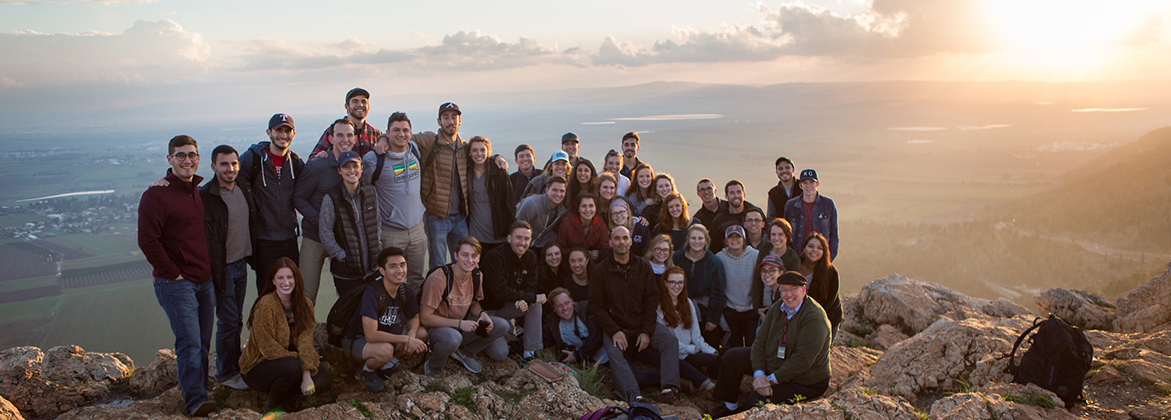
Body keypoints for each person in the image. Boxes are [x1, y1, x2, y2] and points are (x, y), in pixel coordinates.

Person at [138, 135, 216, 417]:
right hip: (176, 284)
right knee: (189, 343)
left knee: (203, 343)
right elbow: (147, 240)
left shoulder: (195, 190)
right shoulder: (156, 195)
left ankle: (202, 391)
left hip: (204, 281)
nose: (187, 160)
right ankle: (194, 401)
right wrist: (173, 274)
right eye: (180, 155)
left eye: (192, 155)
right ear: (169, 160)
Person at [706, 272, 832, 418]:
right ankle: (730, 408)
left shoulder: (814, 317)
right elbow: (759, 342)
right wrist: (759, 373)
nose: (788, 294)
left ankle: (743, 412)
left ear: (803, 290)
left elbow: (802, 361)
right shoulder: (778, 308)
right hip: (777, 363)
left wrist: (770, 380)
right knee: (732, 357)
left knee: (753, 400)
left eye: (793, 289)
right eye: (783, 289)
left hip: (806, 380)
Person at [402, 102, 509, 270]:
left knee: (464, 263)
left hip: (460, 218)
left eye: (454, 117)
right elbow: (402, 136)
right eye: (446, 117)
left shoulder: (464, 148)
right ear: (439, 121)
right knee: (438, 265)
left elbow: (480, 155)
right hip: (436, 216)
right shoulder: (430, 141)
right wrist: (382, 140)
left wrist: (497, 157)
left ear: (460, 121)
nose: (450, 121)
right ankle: (439, 295)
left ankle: (460, 296)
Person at [590, 226, 681, 404]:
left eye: (625, 238)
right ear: (610, 242)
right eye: (617, 239)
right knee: (614, 354)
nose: (621, 242)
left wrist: (647, 331)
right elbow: (596, 306)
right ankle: (634, 396)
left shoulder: (643, 266)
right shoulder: (600, 270)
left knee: (670, 341)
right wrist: (614, 330)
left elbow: (651, 300)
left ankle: (669, 389)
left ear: (631, 241)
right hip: (616, 327)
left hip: (642, 325)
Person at [199, 145, 256, 391]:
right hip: (221, 269)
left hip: (241, 264)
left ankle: (235, 365)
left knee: (237, 319)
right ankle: (225, 373)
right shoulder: (205, 196)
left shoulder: (244, 188)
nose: (230, 168)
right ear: (213, 167)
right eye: (224, 164)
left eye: (234, 163)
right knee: (229, 321)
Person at [239, 258, 328, 412]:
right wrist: (300, 362)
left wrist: (306, 373)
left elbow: (306, 342)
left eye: (289, 277)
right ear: (273, 281)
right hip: (258, 367)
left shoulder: (305, 305)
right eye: (280, 278)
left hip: (291, 364)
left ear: (296, 279)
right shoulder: (266, 304)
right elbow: (268, 349)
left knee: (319, 383)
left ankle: (285, 394)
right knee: (292, 367)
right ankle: (274, 406)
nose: (285, 282)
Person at [419, 237, 510, 377]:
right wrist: (460, 324)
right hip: (438, 330)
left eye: (474, 256)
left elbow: (473, 303)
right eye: (465, 255)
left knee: (502, 325)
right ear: (455, 255)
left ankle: (465, 353)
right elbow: (425, 318)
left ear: (479, 257)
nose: (470, 260)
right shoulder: (439, 279)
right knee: (453, 338)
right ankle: (433, 367)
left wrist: (482, 314)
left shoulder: (476, 275)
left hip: (461, 327)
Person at [342, 247, 429, 393]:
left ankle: (386, 366)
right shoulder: (373, 293)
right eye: (393, 266)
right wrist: (406, 340)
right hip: (358, 340)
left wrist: (411, 336)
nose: (400, 271)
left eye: (402, 265)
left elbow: (414, 317)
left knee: (420, 333)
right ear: (382, 271)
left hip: (386, 335)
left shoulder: (404, 290)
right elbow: (371, 335)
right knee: (386, 350)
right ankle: (365, 371)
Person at [293, 118, 357, 303]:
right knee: (306, 293)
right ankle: (303, 332)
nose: (345, 139)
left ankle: (345, 331)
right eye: (340, 135)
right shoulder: (317, 166)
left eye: (349, 135)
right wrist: (320, 220)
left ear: (354, 138)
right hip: (315, 238)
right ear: (330, 139)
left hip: (343, 240)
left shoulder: (355, 167)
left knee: (347, 293)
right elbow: (298, 197)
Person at [239, 113, 304, 293]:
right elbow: (227, 177)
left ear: (293, 134)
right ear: (269, 132)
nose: (283, 135)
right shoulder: (252, 159)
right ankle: (267, 322)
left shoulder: (296, 163)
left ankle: (289, 322)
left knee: (291, 289)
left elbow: (311, 184)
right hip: (264, 239)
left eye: (287, 131)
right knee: (267, 291)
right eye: (278, 130)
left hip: (290, 239)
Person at [363, 112, 428, 291]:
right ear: (387, 132)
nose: (401, 134)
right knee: (390, 280)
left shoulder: (414, 149)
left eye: (405, 130)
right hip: (390, 232)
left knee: (417, 278)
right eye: (396, 130)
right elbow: (364, 188)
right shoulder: (374, 159)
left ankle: (413, 316)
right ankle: (392, 317)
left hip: (417, 229)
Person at [319, 151, 381, 296]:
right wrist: (341, 256)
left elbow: (377, 222)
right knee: (350, 314)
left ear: (361, 168)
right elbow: (325, 232)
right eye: (346, 167)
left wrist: (378, 245)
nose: (351, 171)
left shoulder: (371, 191)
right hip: (346, 273)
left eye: (355, 166)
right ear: (339, 171)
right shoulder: (332, 197)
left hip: (372, 268)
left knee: (374, 311)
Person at [480, 221, 545, 360]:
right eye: (518, 237)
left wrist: (524, 299)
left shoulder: (531, 256)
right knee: (500, 354)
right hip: (488, 312)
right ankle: (479, 340)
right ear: (509, 238)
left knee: (535, 306)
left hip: (508, 307)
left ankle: (530, 353)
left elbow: (531, 286)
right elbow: (500, 292)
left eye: (526, 239)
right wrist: (529, 297)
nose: (522, 242)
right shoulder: (495, 256)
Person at [658, 267, 720, 392]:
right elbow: (667, 341)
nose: (677, 286)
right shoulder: (659, 307)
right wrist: (689, 349)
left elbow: (696, 336)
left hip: (690, 349)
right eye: (672, 282)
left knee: (716, 357)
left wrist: (710, 350)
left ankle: (720, 383)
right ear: (665, 283)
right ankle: (709, 387)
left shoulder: (688, 303)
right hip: (676, 352)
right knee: (708, 360)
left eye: (680, 282)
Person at [672, 224, 726, 351]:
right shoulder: (678, 257)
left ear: (706, 240)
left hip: (705, 308)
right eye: (693, 238)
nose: (697, 242)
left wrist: (713, 319)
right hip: (682, 305)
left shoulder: (714, 262)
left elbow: (718, 292)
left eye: (700, 238)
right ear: (688, 239)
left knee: (709, 340)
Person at [464, 136, 515, 255]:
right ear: (470, 153)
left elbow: (509, 203)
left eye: (482, 150)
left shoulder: (498, 172)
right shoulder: (465, 172)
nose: (479, 154)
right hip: (476, 235)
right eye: (475, 150)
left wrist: (511, 230)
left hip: (499, 234)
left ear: (488, 152)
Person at [308, 87, 382, 159]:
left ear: (368, 107)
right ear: (347, 106)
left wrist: (384, 138)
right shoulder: (334, 131)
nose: (360, 105)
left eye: (363, 102)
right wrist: (320, 157)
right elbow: (312, 159)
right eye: (355, 101)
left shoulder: (375, 133)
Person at [717, 225, 760, 349]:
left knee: (752, 346)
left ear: (744, 239)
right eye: (731, 237)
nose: (734, 240)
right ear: (726, 240)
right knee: (735, 346)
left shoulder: (755, 255)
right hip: (731, 310)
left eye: (738, 237)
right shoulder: (720, 257)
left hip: (751, 310)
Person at [796, 233, 842, 341]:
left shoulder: (830, 272)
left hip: (826, 318)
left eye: (819, 248)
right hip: (798, 319)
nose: (814, 250)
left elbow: (829, 302)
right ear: (804, 248)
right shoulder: (795, 265)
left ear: (824, 252)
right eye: (811, 246)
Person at [784, 169, 839, 260]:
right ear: (800, 185)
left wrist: (829, 257)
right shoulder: (791, 206)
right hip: (797, 257)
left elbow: (834, 235)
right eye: (805, 183)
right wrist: (791, 257)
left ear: (817, 184)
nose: (808, 186)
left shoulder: (828, 205)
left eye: (811, 182)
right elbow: (786, 234)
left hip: (820, 257)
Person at [750, 219, 801, 314]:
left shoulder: (793, 258)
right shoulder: (765, 249)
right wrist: (757, 307)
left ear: (787, 235)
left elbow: (794, 288)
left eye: (780, 234)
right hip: (764, 304)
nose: (776, 238)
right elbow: (757, 278)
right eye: (773, 234)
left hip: (781, 308)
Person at [544, 287, 606, 364]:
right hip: (583, 364)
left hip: (606, 355)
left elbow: (596, 336)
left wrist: (577, 356)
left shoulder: (586, 309)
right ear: (553, 309)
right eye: (559, 306)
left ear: (572, 301)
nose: (565, 308)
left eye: (567, 303)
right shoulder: (552, 324)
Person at [515, 175, 568, 249]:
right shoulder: (531, 204)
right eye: (555, 190)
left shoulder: (561, 211)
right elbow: (517, 230)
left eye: (562, 191)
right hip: (522, 245)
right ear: (547, 190)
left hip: (539, 244)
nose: (558, 194)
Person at [709, 180, 763, 252]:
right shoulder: (719, 220)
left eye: (739, 192)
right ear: (726, 196)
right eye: (732, 193)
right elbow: (714, 247)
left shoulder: (756, 213)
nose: (736, 196)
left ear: (744, 194)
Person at [557, 192, 609, 257]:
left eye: (591, 206)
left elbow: (605, 248)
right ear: (578, 208)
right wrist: (586, 254)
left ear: (596, 208)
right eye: (583, 206)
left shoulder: (600, 224)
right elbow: (561, 248)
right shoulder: (566, 223)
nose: (587, 210)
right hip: (570, 259)